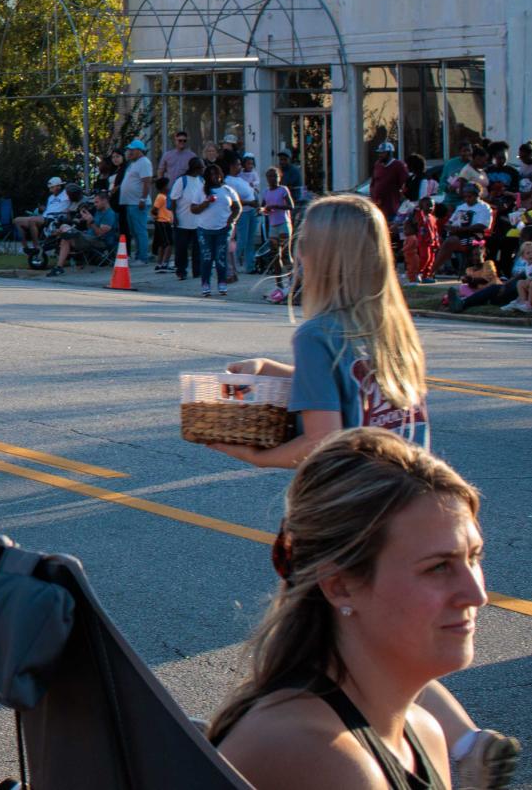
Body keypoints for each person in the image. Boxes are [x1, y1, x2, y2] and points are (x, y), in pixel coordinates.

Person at [209, 429, 516, 790]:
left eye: (473, 557)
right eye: (437, 567)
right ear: (340, 586)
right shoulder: (320, 754)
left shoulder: (422, 732)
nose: (476, 594)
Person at [213, 195, 428, 466]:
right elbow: (350, 382)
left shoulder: (316, 335)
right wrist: (268, 368)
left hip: (354, 498)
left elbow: (322, 442)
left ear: (314, 254)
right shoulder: (395, 327)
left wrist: (259, 457)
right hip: (409, 492)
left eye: (302, 243)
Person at [193, 161, 240, 299]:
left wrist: (231, 221)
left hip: (223, 229)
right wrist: (206, 202)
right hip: (204, 229)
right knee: (207, 258)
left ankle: (222, 282)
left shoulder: (227, 190)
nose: (214, 176)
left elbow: (237, 208)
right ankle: (205, 284)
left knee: (220, 258)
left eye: (216, 173)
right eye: (211, 174)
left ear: (221, 175)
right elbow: (193, 209)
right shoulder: (202, 190)